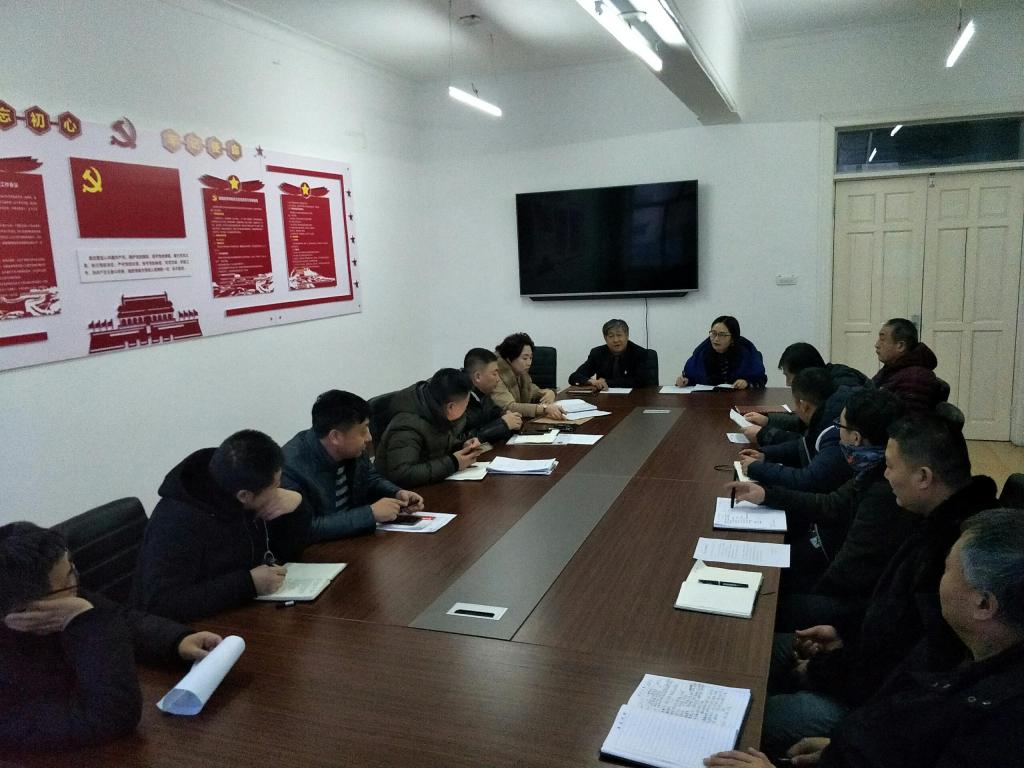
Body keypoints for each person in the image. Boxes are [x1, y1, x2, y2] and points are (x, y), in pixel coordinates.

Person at [705, 509, 1024, 768]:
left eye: (947, 570)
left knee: (743, 723)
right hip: (851, 739)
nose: (939, 580)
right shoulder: (966, 647)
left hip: (851, 722)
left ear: (983, 604)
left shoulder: (997, 728)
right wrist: (840, 749)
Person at [760, 412, 999, 756]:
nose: (884, 475)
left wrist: (820, 670)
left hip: (873, 713)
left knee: (755, 717)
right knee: (761, 651)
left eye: (889, 466)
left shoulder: (959, 558)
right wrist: (842, 633)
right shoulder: (934, 520)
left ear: (923, 476)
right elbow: (887, 619)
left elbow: (903, 669)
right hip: (856, 662)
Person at [1, 522, 222, 750]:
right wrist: (85, 619)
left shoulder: (58, 594)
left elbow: (119, 618)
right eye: (68, 579)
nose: (76, 581)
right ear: (24, 609)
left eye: (72, 568)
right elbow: (113, 714)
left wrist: (175, 641)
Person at [729, 388, 915, 627]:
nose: (837, 432)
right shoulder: (872, 469)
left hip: (853, 603)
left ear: (856, 438)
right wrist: (767, 495)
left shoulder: (883, 490)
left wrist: (790, 586)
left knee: (761, 604)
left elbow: (849, 570)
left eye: (840, 426)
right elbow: (831, 504)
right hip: (838, 573)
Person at [131, 429, 310, 622]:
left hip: (243, 611)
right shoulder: (176, 521)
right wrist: (247, 584)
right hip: (193, 629)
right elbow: (162, 603)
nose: (279, 490)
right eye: (275, 486)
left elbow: (284, 553)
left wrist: (297, 507)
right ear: (244, 495)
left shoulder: (240, 485)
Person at [281, 390, 424, 543]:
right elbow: (306, 529)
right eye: (363, 431)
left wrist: (396, 493)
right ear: (335, 437)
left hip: (354, 539)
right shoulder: (290, 467)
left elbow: (370, 478)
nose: (369, 437)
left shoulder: (353, 450)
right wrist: (369, 514)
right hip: (320, 550)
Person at [740, 368, 854, 493]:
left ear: (804, 406)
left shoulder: (835, 431)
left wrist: (759, 469)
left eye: (795, 404)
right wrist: (766, 454)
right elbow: (805, 446)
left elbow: (809, 480)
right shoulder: (828, 414)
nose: (796, 410)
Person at [742, 343, 868, 446]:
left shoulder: (838, 396)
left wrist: (764, 435)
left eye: (788, 376)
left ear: (804, 373)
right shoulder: (827, 382)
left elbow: (808, 442)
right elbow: (804, 423)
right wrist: (768, 420)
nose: (787, 383)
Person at [375, 368, 484, 487]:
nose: (466, 408)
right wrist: (454, 463)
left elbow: (436, 445)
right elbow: (402, 474)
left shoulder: (436, 409)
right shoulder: (407, 426)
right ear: (451, 407)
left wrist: (462, 446)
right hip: (398, 493)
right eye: (466, 404)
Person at [872, 318, 943, 413]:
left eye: (882, 339)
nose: (877, 345)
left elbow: (908, 418)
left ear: (900, 346)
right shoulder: (893, 368)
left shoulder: (916, 378)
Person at [676, 315, 767, 389]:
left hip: (739, 401)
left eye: (722, 335)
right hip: (708, 402)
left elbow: (761, 381)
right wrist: (685, 381)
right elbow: (692, 379)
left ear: (732, 338)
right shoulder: (701, 353)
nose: (716, 339)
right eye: (713, 333)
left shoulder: (747, 354)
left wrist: (746, 383)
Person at [492, 332, 566, 419]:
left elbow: (533, 391)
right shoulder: (495, 376)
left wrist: (550, 393)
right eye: (525, 358)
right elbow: (509, 407)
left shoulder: (520, 374)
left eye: (531, 358)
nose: (529, 363)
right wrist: (544, 408)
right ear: (509, 358)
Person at [568, 319, 654, 390]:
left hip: (634, 398)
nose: (615, 340)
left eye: (619, 335)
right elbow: (574, 377)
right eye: (611, 336)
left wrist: (606, 382)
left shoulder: (640, 353)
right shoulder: (597, 353)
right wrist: (591, 381)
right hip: (604, 399)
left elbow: (640, 381)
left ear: (627, 336)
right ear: (605, 338)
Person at [463, 348, 523, 443]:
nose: (498, 379)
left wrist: (507, 416)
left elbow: (494, 413)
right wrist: (503, 424)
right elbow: (461, 441)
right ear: (478, 377)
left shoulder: (482, 394)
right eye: (494, 374)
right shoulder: (460, 397)